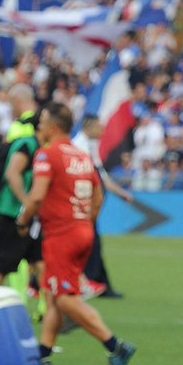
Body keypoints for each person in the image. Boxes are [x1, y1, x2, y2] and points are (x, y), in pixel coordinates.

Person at [17, 104, 136, 365]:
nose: (40, 127)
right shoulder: (82, 156)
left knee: (63, 298)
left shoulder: (47, 155)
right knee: (56, 292)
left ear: (54, 126)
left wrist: (22, 222)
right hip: (83, 232)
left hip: (61, 235)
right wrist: (86, 222)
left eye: (43, 122)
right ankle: (43, 354)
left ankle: (115, 346)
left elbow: (36, 197)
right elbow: (99, 196)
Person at [73, 115, 133, 298]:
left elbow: (102, 178)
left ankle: (99, 284)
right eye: (99, 127)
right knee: (88, 245)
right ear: (88, 127)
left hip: (90, 207)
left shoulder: (90, 146)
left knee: (93, 244)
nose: (102, 130)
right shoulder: (78, 147)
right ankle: (96, 284)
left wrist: (122, 194)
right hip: (82, 207)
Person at [0, 109, 44, 290]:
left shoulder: (41, 147)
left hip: (29, 217)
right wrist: (26, 202)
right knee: (1, 268)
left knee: (42, 262)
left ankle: (54, 310)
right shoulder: (27, 145)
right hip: (13, 215)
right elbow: (12, 174)